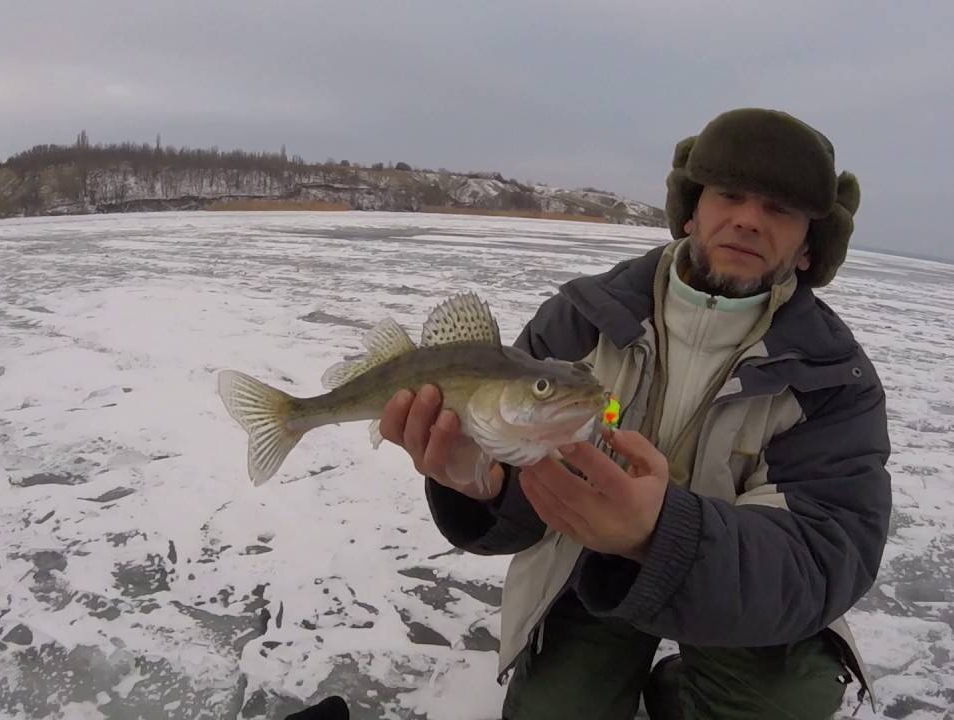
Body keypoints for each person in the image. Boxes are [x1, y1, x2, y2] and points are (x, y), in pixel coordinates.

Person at [378, 108, 892, 719]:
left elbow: (825, 552)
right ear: (691, 209)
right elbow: (523, 493)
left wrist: (660, 536)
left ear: (810, 245)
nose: (749, 219)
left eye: (780, 209)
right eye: (729, 194)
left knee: (784, 701)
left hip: (738, 600)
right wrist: (486, 485)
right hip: (585, 575)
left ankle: (682, 687)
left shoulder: (836, 379)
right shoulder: (579, 318)